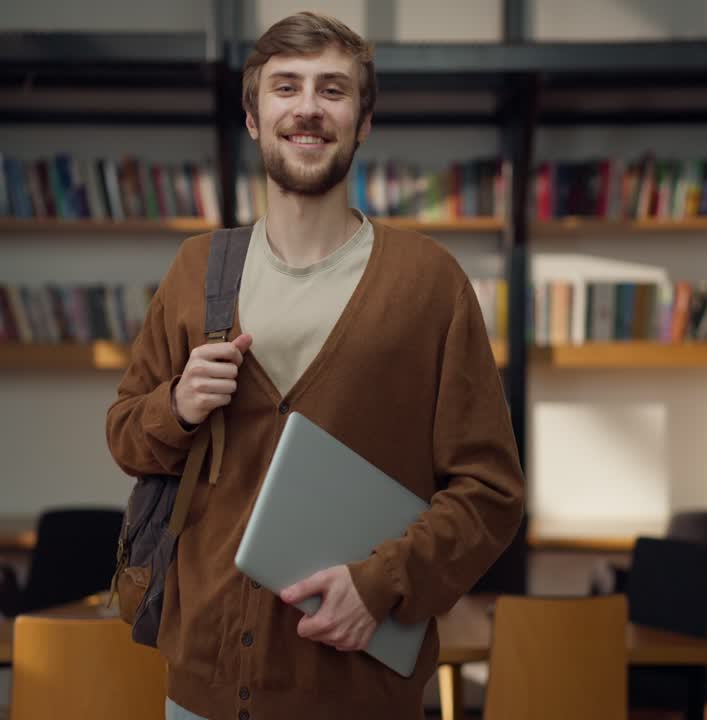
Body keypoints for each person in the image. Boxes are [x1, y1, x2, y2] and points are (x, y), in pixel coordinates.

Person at [106, 11, 524, 720]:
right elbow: (124, 434)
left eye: (333, 90)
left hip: (356, 688)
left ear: (362, 123)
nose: (307, 107)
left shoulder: (430, 284)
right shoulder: (197, 269)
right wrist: (174, 406)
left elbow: (490, 491)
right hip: (200, 689)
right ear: (253, 116)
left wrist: (382, 584)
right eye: (286, 88)